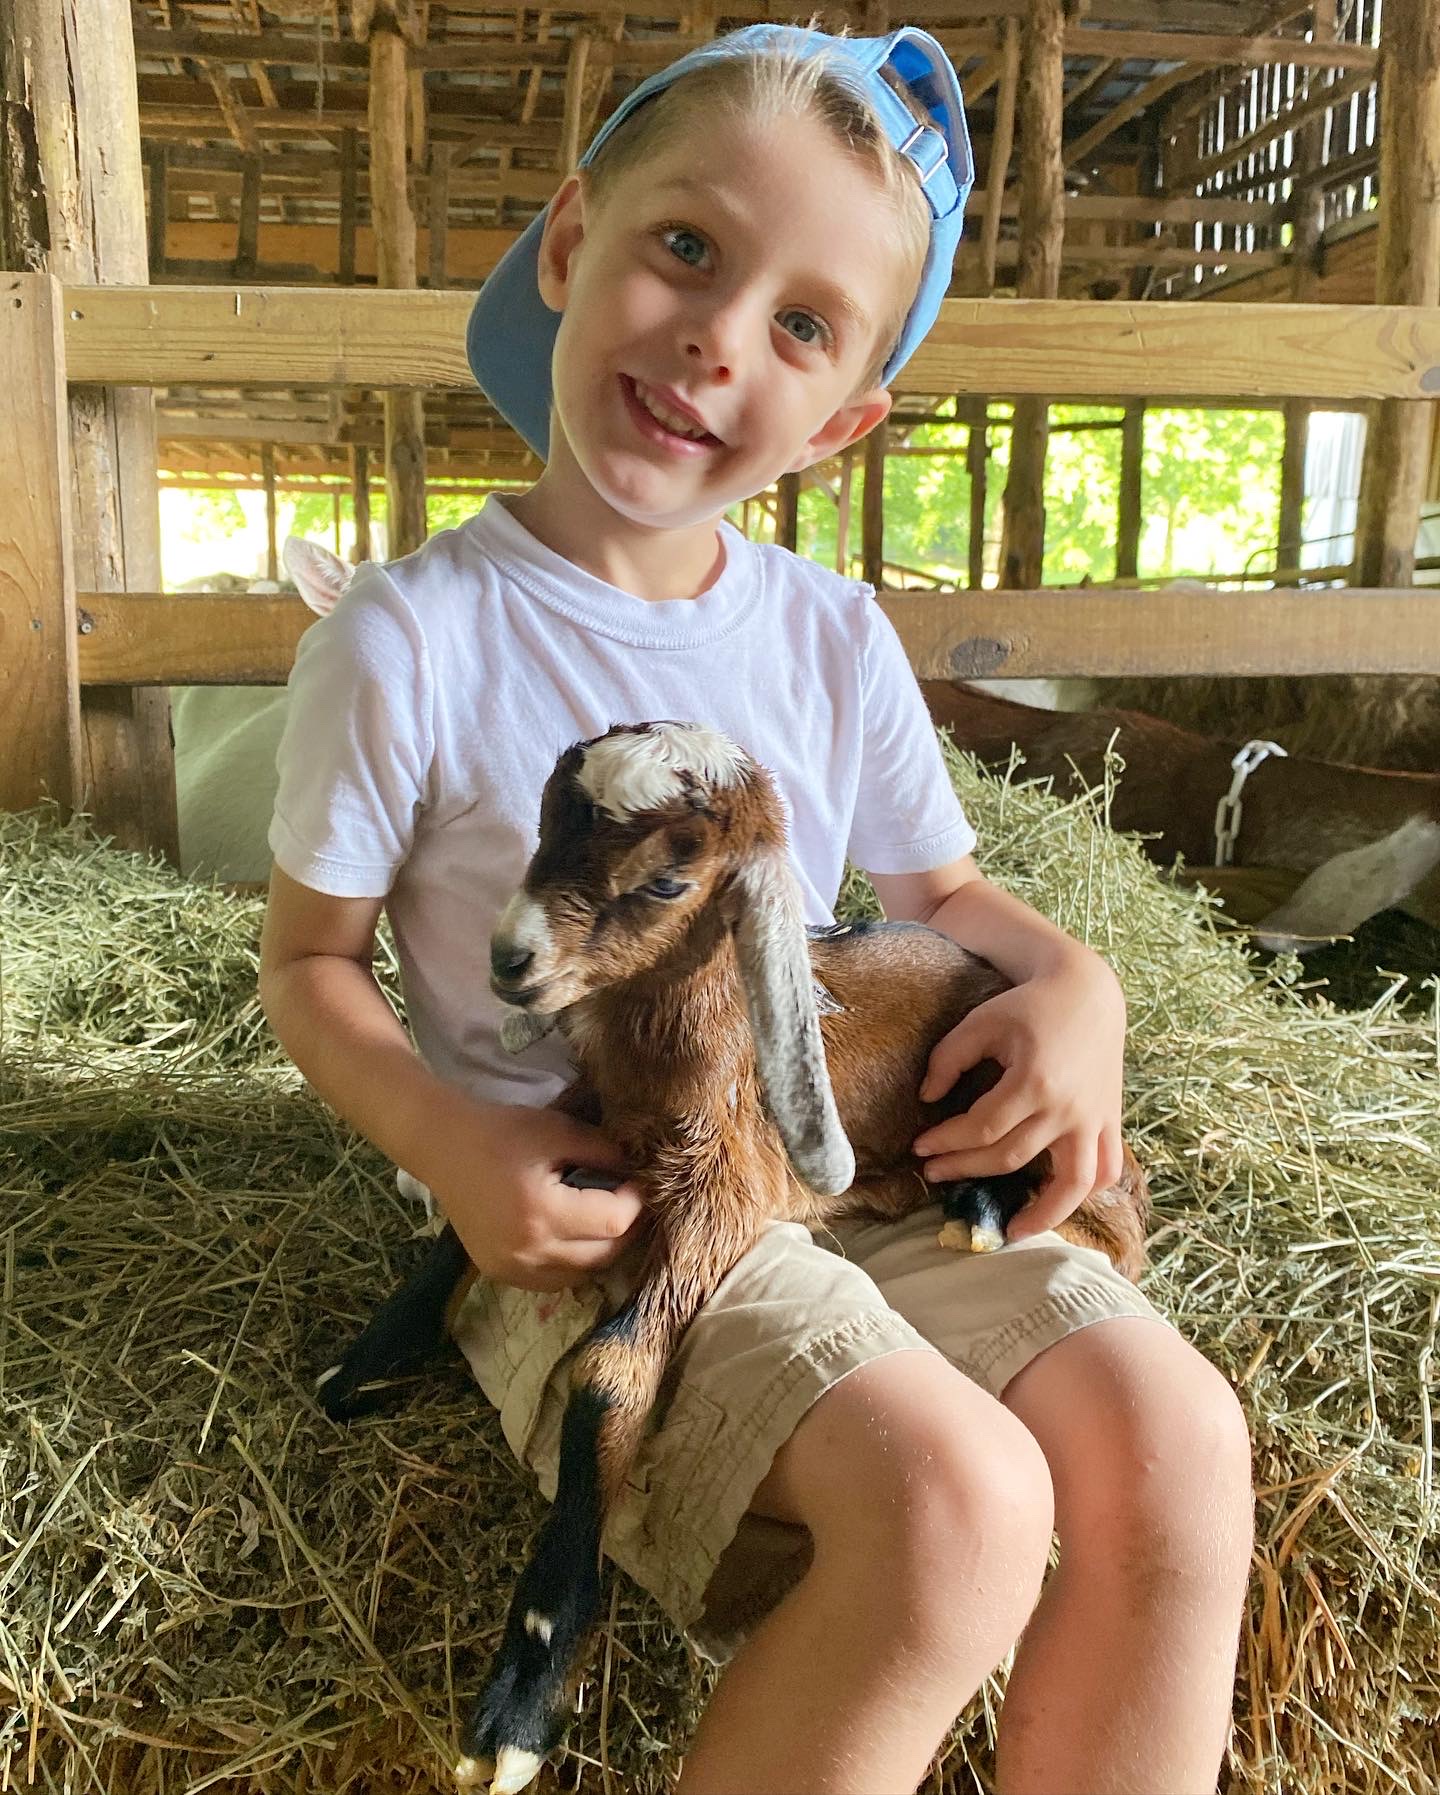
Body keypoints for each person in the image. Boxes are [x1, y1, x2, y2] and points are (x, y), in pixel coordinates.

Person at [259, 24, 1252, 1794]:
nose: (722, 338)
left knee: (1176, 1435)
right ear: (572, 247)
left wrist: (1079, 986)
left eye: (802, 326)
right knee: (958, 1504)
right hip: (593, 1214)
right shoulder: (408, 639)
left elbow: (943, 892)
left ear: (847, 416)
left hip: (834, 1158)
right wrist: (451, 1151)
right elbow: (309, 961)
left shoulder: (828, 632)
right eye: (688, 251)